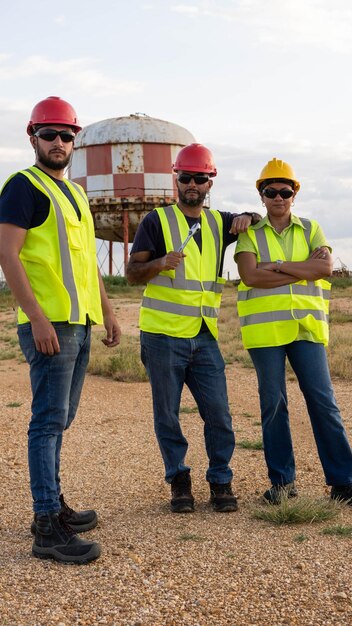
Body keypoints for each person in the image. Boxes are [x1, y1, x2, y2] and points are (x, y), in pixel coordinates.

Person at [0, 96, 121, 563]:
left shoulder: (74, 193)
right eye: (48, 134)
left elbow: (87, 263)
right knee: (47, 422)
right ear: (32, 137)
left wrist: (107, 312)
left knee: (60, 420)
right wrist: (36, 316)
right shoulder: (22, 187)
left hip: (81, 322)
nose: (58, 142)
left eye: (66, 135)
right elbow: (8, 255)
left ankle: (51, 507)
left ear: (76, 140)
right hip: (50, 326)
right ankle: (47, 526)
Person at [126, 143, 259, 513]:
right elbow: (132, 273)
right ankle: (179, 480)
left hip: (204, 336)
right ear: (176, 178)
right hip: (163, 335)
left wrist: (250, 215)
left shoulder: (219, 222)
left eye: (200, 178)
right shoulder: (157, 221)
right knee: (167, 415)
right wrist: (159, 263)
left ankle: (220, 481)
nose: (192, 184)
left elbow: (255, 219)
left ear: (210, 182)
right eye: (185, 177)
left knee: (219, 414)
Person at [235, 158, 352, 507]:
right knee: (274, 405)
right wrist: (303, 270)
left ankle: (342, 482)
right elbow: (251, 276)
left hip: (307, 330)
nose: (278, 197)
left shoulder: (312, 228)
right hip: (266, 334)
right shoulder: (249, 234)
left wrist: (278, 266)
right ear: (262, 196)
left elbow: (325, 267)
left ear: (294, 194)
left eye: (285, 191)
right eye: (271, 191)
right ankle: (282, 484)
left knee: (324, 403)